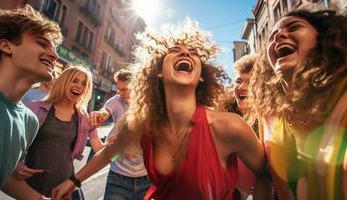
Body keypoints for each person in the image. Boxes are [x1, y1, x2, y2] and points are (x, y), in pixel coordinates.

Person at [51, 20, 267, 200]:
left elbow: (265, 175)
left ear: (200, 75)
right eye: (175, 51)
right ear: (159, 72)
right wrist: (73, 181)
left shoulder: (229, 127)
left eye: (193, 53)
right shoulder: (140, 123)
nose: (185, 53)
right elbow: (109, 153)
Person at [248, 10, 347, 199]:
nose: (279, 36)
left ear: (324, 39)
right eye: (271, 37)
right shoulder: (268, 117)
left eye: (294, 27)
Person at [0, 5, 62, 199]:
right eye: (42, 44)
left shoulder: (29, 122)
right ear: (6, 46)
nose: (55, 56)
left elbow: (0, 175)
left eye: (54, 50)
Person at [12, 65, 105, 199]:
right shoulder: (35, 108)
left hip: (68, 191)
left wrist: (119, 144)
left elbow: (100, 150)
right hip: (33, 188)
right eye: (74, 81)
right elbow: (13, 143)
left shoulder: (85, 118)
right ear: (63, 82)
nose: (79, 86)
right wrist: (16, 164)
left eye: (84, 84)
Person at [88, 69, 150, 200]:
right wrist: (99, 115)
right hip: (118, 179)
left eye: (125, 89)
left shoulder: (148, 105)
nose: (122, 93)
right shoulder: (116, 100)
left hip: (146, 179)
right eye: (119, 89)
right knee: (110, 154)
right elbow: (106, 110)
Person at [218, 54, 260, 199]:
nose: (242, 87)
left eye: (250, 81)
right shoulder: (224, 117)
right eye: (238, 81)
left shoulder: (272, 122)